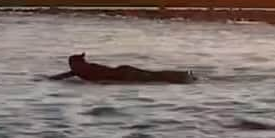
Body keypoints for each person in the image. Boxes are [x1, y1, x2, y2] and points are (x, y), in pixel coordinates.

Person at [49, 53, 195, 84]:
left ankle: (183, 76)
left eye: (75, 64)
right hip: (123, 73)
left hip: (123, 74)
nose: (73, 66)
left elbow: (60, 77)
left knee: (154, 77)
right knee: (154, 76)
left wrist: (45, 80)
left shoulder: (82, 70)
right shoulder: (81, 70)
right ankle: (184, 75)